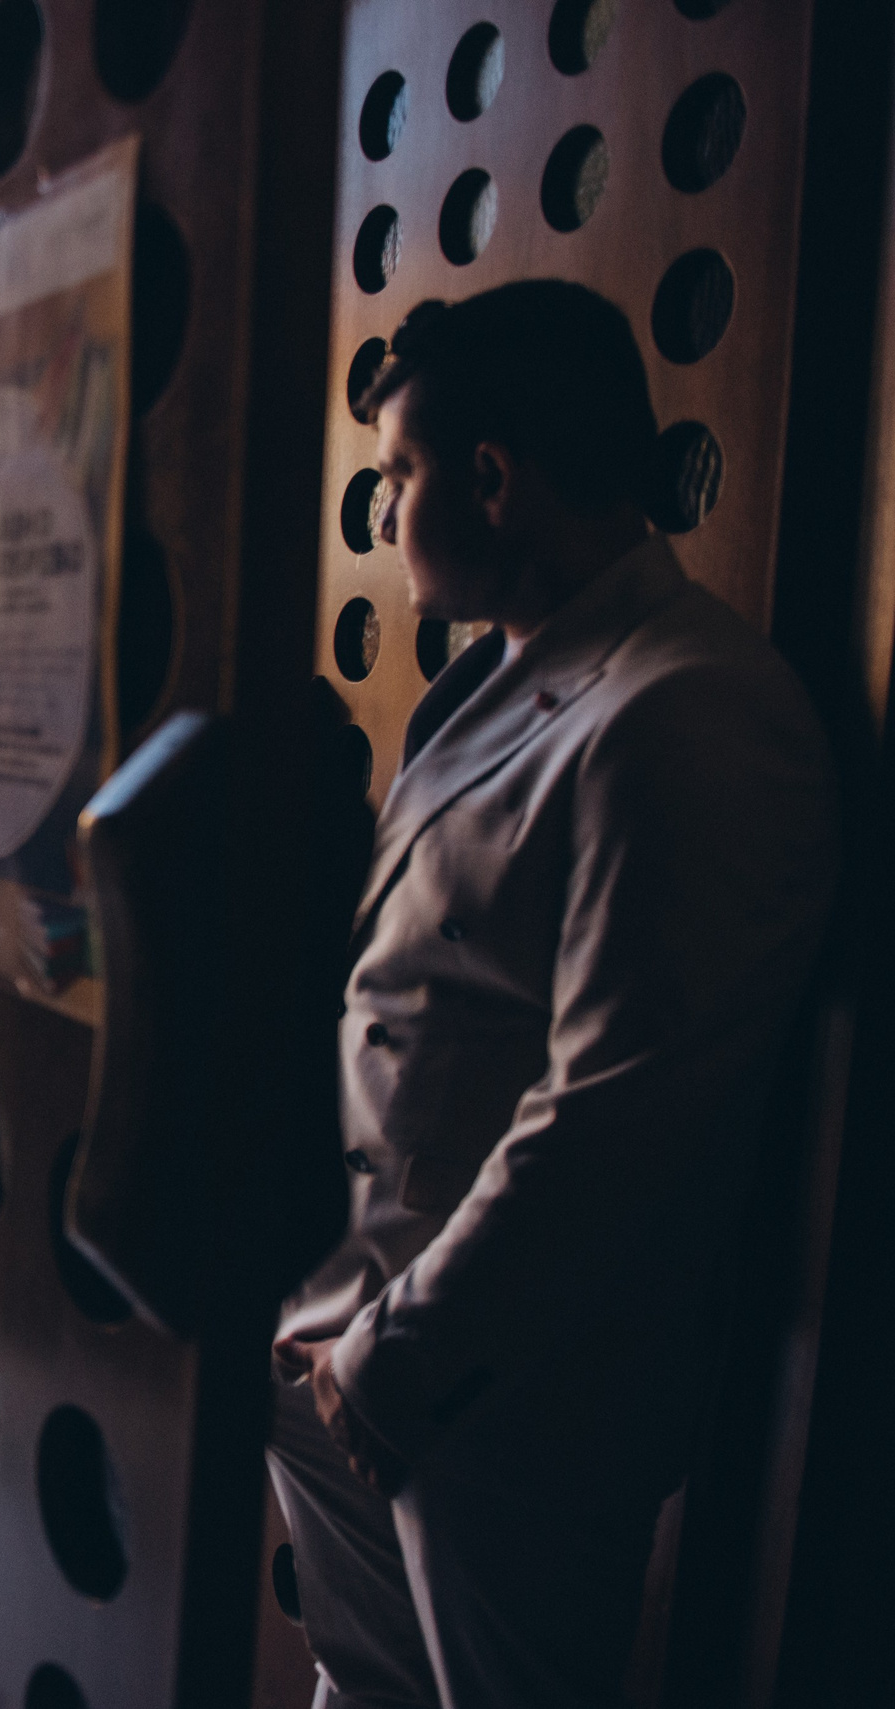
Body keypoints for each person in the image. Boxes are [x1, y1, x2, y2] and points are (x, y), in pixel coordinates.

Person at [270, 281, 837, 1707]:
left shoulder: (687, 707)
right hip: (351, 1336)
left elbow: (621, 1108)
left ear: (495, 479)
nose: (387, 509)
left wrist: (396, 1358)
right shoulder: (488, 685)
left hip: (497, 1400)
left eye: (399, 474)